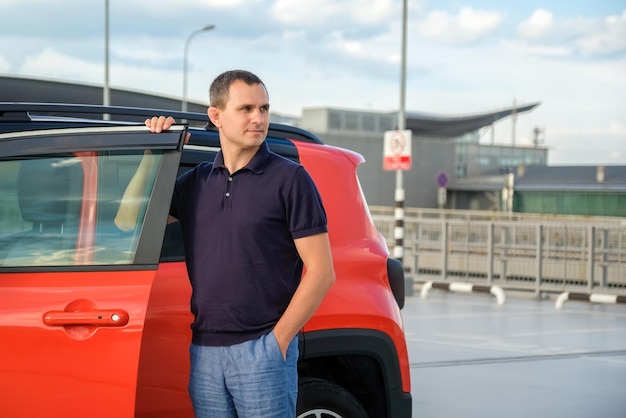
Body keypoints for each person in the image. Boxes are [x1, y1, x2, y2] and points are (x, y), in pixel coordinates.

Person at [115, 69, 335, 418]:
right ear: (216, 116)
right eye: (246, 109)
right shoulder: (197, 182)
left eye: (264, 109)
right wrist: (151, 153)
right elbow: (127, 222)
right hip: (205, 352)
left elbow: (322, 272)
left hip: (262, 349)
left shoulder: (290, 179)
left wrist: (277, 342)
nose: (258, 118)